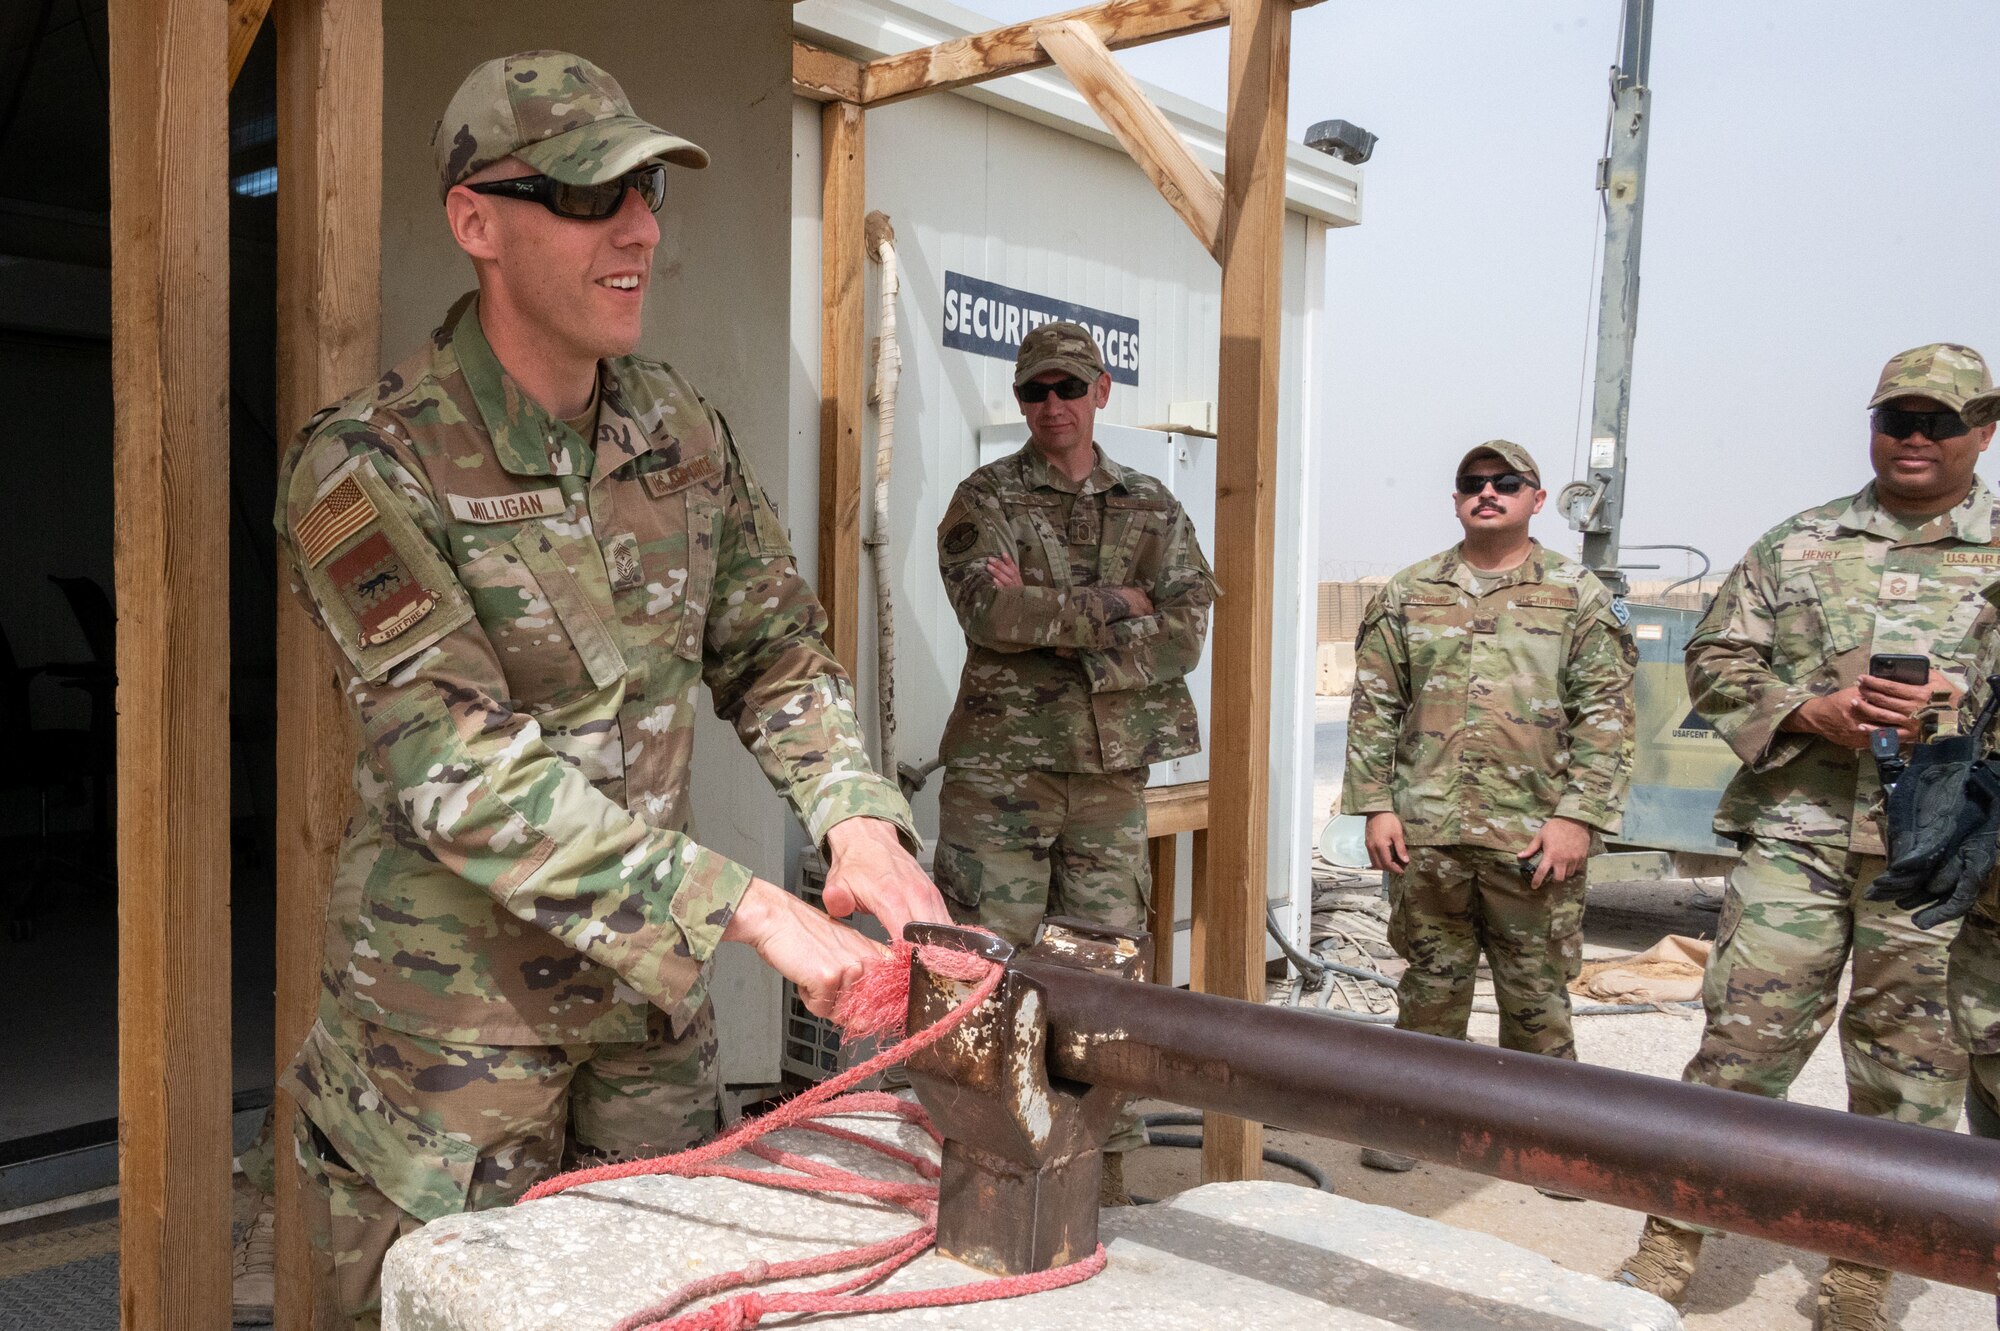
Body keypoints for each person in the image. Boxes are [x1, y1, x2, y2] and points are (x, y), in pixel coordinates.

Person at [268, 51, 945, 1328]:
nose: (637, 227)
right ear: (477, 220)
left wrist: (855, 816)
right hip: (454, 1055)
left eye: (647, 192)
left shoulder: (677, 432)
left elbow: (775, 651)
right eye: (590, 196)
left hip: (645, 1033)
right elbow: (452, 768)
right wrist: (743, 903)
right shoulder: (366, 466)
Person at [1614, 344, 1996, 1328]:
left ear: (1982, 430)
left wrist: (1964, 713)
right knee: (1739, 1045)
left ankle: (1861, 1272)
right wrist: (1803, 709)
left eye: (1938, 421)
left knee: (1907, 1069)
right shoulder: (1797, 545)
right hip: (1800, 834)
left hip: (1935, 856)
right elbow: (1712, 662)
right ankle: (1666, 1244)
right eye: (1895, 418)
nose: (1913, 438)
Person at [932, 320, 1216, 1205]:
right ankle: (977, 1167)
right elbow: (990, 617)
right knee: (986, 968)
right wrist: (1118, 605)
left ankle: (1103, 1172)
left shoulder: (1154, 507)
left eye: (1067, 386)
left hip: (1106, 778)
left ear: (1101, 390)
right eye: (1033, 391)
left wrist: (1057, 614)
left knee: (1103, 971)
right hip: (1000, 778)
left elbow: (1185, 634)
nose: (1051, 405)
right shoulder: (984, 498)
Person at [1340, 441, 1634, 1176]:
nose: (1488, 492)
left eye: (1507, 482)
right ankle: (1413, 1126)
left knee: (1535, 994)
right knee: (1430, 987)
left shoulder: (1577, 595)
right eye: (1473, 483)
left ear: (1537, 499)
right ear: (1457, 500)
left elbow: (1608, 715)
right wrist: (1376, 805)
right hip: (1429, 830)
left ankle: (1552, 1146)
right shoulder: (1410, 592)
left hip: (1533, 835)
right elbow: (1375, 706)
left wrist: (1578, 817)